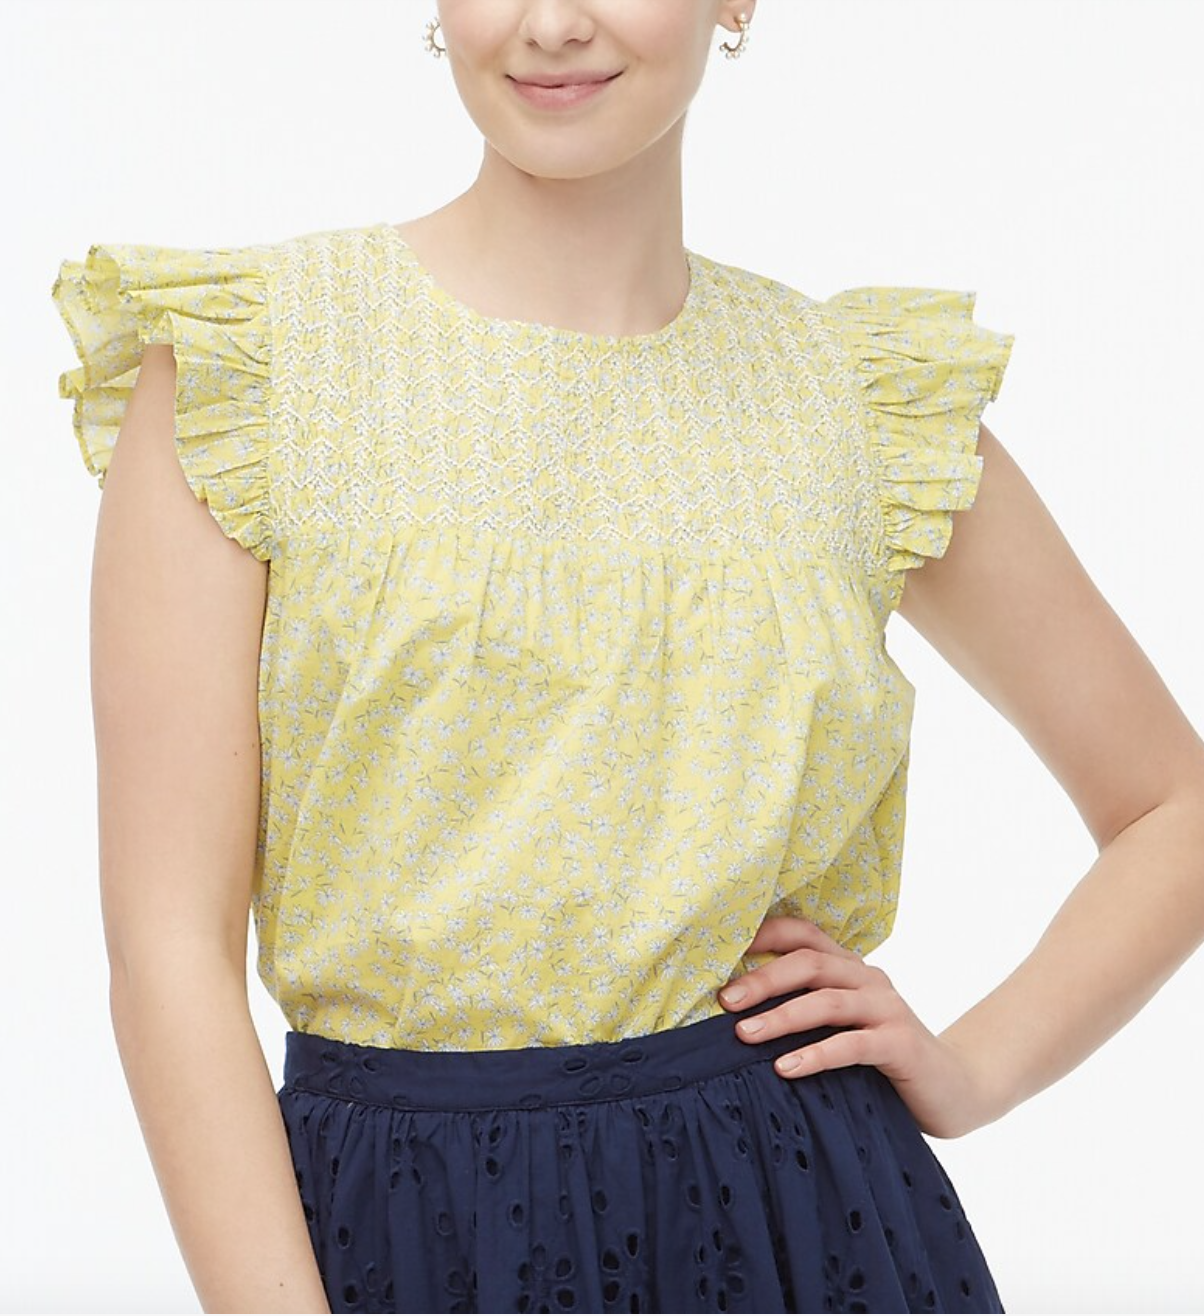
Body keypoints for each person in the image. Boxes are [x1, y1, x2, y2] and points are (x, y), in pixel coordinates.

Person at [49, 2, 1204, 1313]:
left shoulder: (853, 403)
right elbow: (169, 952)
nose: (551, 24)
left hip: (803, 1214)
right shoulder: (251, 370)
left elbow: (1173, 806)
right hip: (404, 1228)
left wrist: (976, 1068)